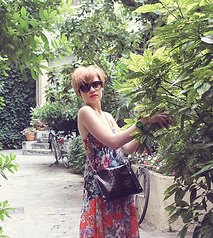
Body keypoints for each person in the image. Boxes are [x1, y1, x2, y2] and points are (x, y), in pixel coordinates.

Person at [71, 65, 171, 238]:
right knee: (104, 226)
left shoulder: (108, 116)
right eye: (85, 87)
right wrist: (143, 122)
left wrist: (149, 127)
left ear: (102, 85)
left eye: (95, 84)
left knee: (119, 228)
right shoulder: (85, 112)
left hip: (119, 181)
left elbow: (128, 147)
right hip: (101, 185)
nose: (92, 90)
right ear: (79, 92)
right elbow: (114, 142)